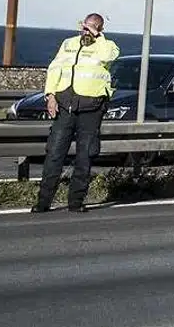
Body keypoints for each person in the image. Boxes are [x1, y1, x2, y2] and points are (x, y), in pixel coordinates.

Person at [33, 12, 120, 213]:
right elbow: (54, 68)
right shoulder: (69, 44)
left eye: (92, 27)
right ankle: (43, 202)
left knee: (85, 155)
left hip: (91, 108)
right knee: (54, 153)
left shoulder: (106, 46)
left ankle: (76, 202)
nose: (86, 30)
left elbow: (109, 56)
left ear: (100, 29)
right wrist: (50, 95)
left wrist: (98, 37)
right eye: (84, 26)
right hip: (66, 106)